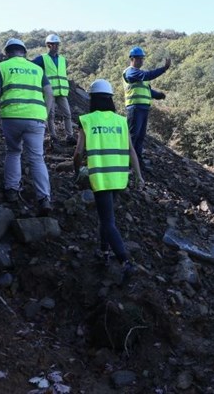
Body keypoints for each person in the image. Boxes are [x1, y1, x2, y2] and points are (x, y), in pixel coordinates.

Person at [73, 79, 144, 281]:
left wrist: (75, 169)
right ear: (111, 99)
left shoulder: (87, 120)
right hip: (119, 177)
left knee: (107, 221)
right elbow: (131, 150)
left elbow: (78, 152)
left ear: (93, 99)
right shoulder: (121, 121)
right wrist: (139, 175)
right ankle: (104, 253)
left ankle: (125, 262)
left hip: (101, 177)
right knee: (107, 218)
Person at [0, 38, 54, 216]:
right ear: (24, 52)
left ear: (7, 52)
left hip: (12, 117)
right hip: (36, 118)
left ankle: (12, 190)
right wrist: (45, 115)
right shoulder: (37, 69)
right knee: (37, 159)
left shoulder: (3, 66)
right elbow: (49, 93)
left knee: (13, 152)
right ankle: (44, 199)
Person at [122, 46, 170, 169]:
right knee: (133, 135)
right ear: (132, 59)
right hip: (134, 108)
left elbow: (148, 91)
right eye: (139, 59)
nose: (141, 61)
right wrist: (163, 69)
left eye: (142, 59)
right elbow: (147, 75)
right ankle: (127, 161)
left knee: (140, 136)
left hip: (143, 109)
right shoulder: (131, 72)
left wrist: (159, 95)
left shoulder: (140, 75)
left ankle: (138, 161)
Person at [31, 34, 75, 146]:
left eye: (57, 44)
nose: (56, 46)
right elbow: (31, 67)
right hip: (49, 92)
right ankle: (53, 136)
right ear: (48, 45)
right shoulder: (42, 59)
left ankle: (69, 136)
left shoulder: (63, 60)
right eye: (53, 44)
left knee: (67, 114)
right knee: (50, 115)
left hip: (61, 92)